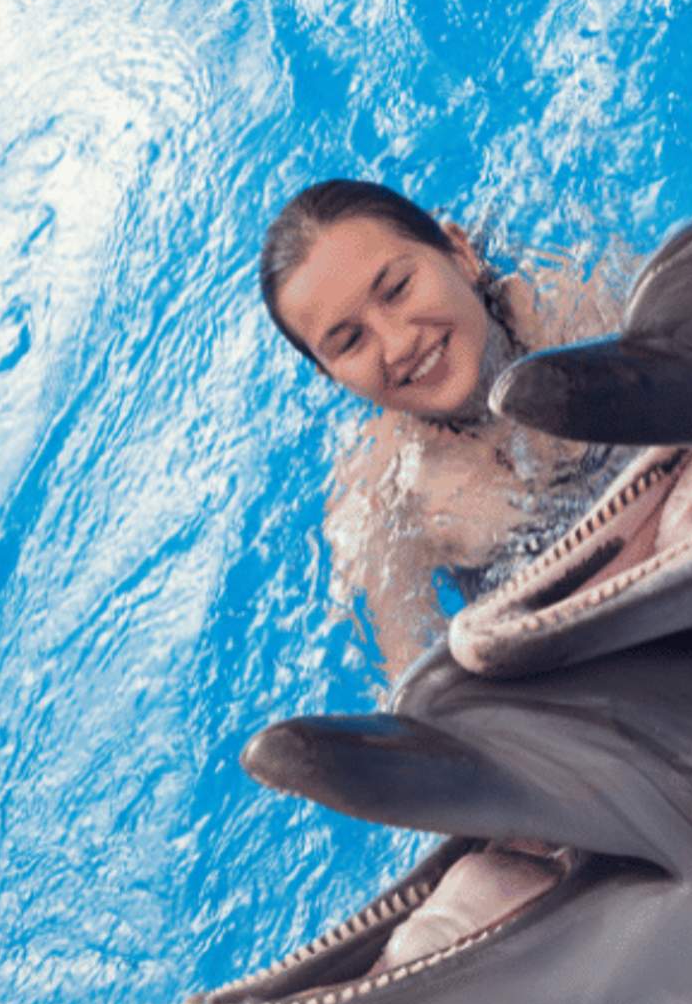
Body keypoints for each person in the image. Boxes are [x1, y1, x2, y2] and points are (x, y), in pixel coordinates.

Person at [259, 179, 625, 679]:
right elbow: (417, 704)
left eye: (397, 289)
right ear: (332, 376)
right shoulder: (384, 505)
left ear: (459, 253)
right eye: (349, 342)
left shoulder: (587, 316)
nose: (397, 343)